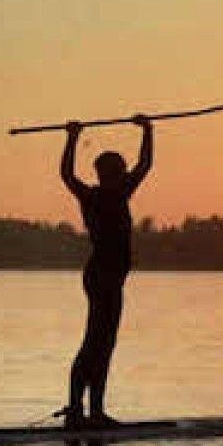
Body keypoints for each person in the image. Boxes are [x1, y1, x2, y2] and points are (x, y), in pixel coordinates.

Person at [59, 115, 153, 429]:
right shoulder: (108, 193)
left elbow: (67, 174)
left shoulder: (102, 193)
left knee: (102, 343)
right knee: (96, 343)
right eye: (121, 171)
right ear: (112, 174)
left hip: (105, 277)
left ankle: (89, 411)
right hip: (103, 278)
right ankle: (80, 411)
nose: (127, 175)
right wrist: (148, 131)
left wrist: (73, 137)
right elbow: (144, 166)